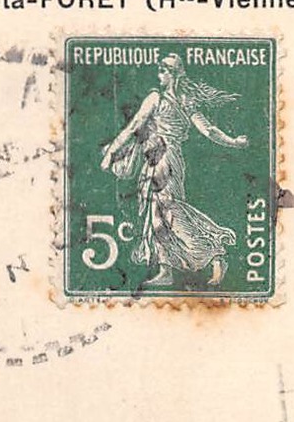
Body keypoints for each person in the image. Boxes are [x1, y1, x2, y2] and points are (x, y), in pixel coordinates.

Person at [99, 52, 249, 288]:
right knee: (155, 213)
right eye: (160, 67)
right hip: (154, 157)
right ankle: (165, 269)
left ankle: (213, 252)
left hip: (167, 160)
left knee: (170, 210)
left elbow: (207, 129)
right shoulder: (161, 98)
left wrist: (232, 142)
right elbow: (134, 128)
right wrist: (113, 152)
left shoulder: (169, 100)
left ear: (175, 74)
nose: (160, 71)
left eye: (165, 68)